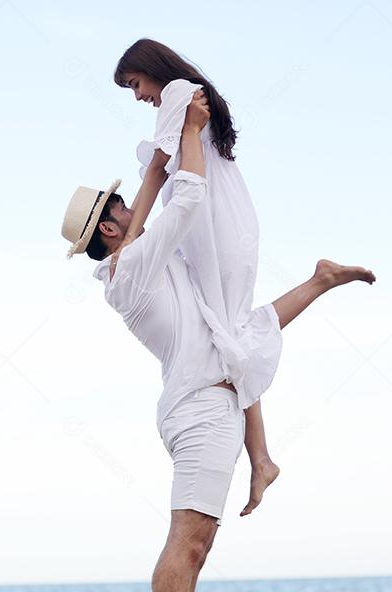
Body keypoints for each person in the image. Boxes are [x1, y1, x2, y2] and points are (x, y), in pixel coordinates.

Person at [60, 93, 375, 592]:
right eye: (117, 205)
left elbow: (246, 329)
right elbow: (191, 197)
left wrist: (318, 284)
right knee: (189, 541)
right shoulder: (130, 273)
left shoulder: (153, 261)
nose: (128, 206)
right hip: (199, 409)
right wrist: (192, 135)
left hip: (215, 403)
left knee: (198, 546)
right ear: (109, 228)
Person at [118, 38, 291, 516]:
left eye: (134, 84)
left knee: (229, 338)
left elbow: (158, 169)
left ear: (151, 70)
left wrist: (132, 239)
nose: (138, 97)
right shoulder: (192, 93)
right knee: (227, 337)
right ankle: (262, 458)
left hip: (213, 235)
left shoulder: (177, 92)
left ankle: (261, 458)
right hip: (223, 231)